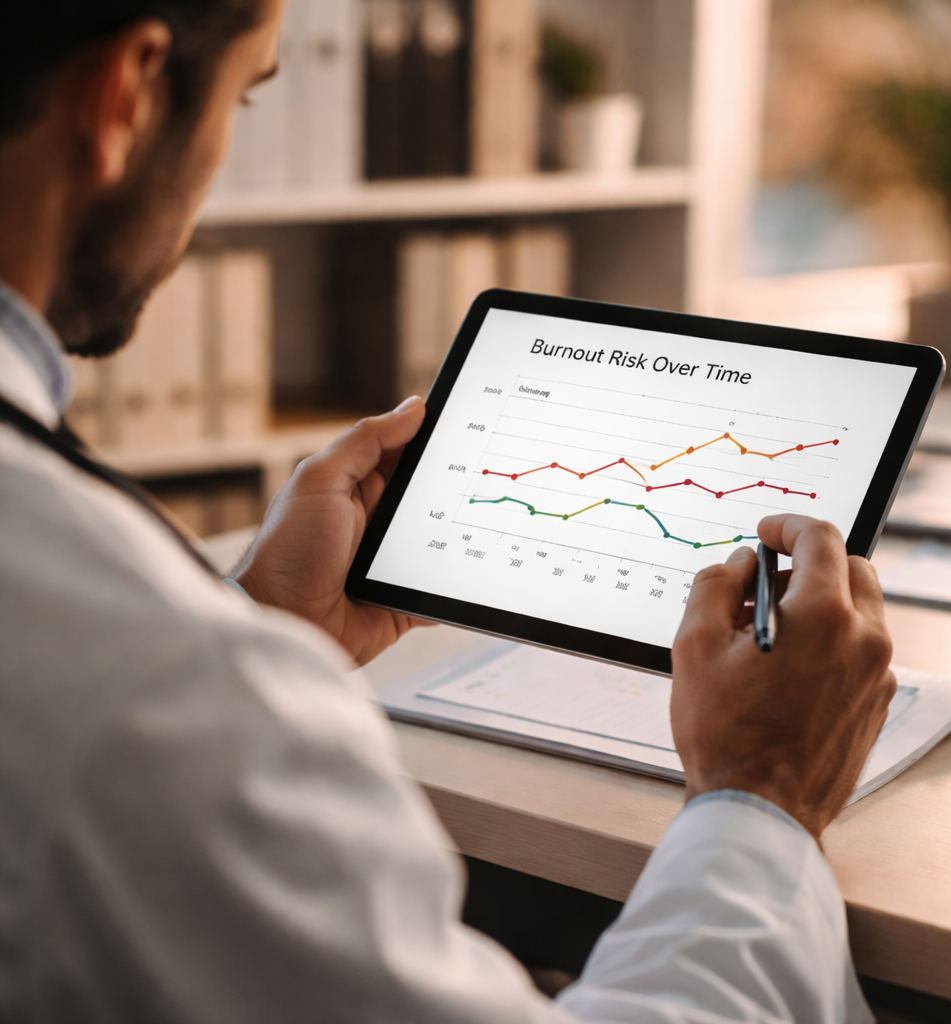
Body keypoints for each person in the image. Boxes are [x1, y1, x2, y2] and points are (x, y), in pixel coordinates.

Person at [0, 1, 896, 1021]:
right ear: (125, 91)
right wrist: (762, 796)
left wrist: (260, 628)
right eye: (246, 97)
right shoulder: (146, 692)